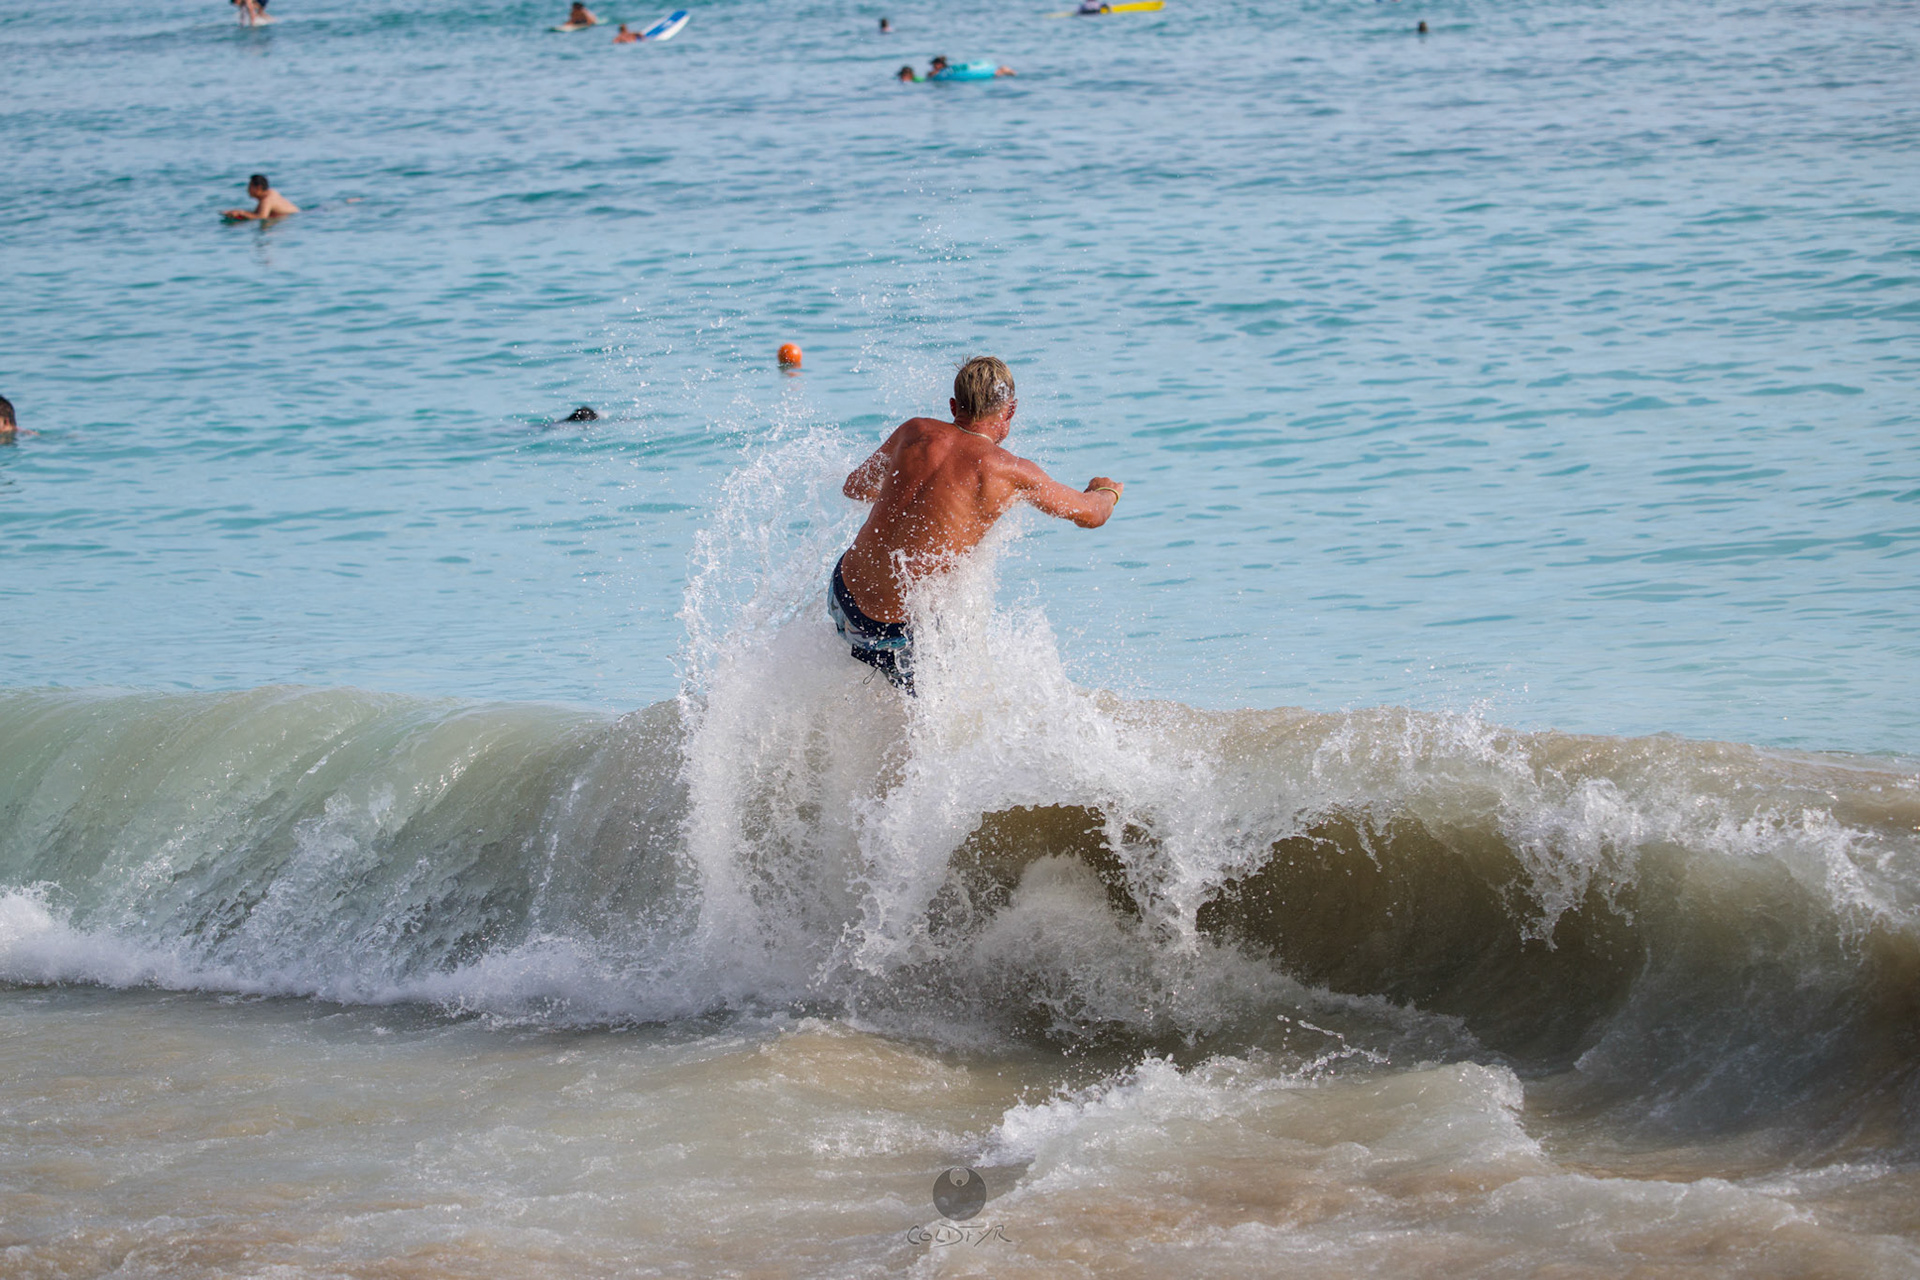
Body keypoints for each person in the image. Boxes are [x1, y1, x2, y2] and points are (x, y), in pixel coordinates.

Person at [830, 356, 1123, 691]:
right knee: (949, 707)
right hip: (894, 634)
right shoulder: (1010, 472)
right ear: (1010, 411)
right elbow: (1091, 515)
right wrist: (1106, 491)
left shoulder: (914, 431)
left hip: (844, 595)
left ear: (954, 406)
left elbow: (855, 487)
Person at [221, 174, 299, 221]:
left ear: (258, 188)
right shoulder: (271, 192)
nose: (248, 189)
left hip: (294, 217)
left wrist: (241, 213)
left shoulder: (266, 200)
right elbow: (257, 214)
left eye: (250, 186)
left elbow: (261, 217)